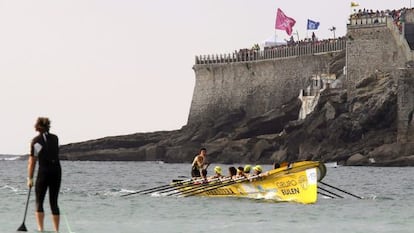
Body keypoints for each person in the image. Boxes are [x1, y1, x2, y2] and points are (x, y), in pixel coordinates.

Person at [27, 117, 62, 232]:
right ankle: (56, 230)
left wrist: (30, 178)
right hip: (56, 171)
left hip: (44, 172)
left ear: (37, 127)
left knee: (39, 201)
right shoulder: (55, 138)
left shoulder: (36, 141)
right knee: (54, 202)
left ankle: (40, 229)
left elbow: (33, 161)